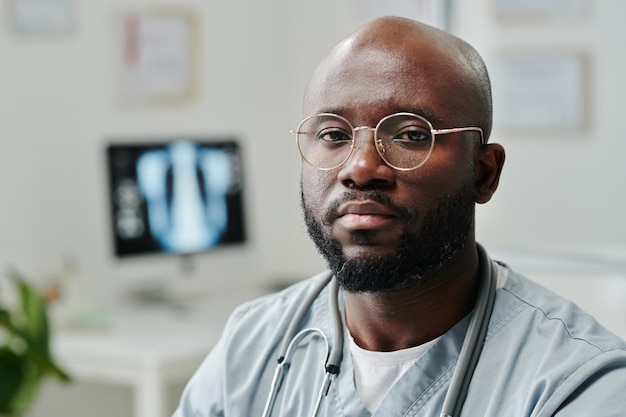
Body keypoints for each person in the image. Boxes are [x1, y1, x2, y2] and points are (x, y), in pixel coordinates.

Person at [172, 16, 626, 417]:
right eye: (333, 133)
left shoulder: (580, 384)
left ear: (483, 173)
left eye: (410, 134)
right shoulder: (252, 345)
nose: (361, 168)